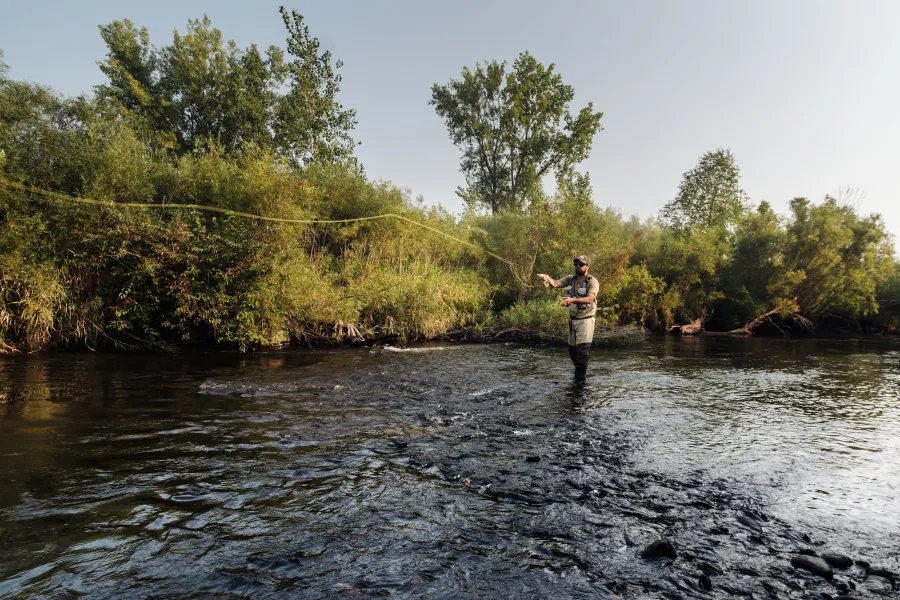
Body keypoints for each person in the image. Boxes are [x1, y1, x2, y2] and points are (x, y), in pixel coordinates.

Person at [538, 255, 599, 381]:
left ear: (587, 266)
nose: (578, 266)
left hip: (585, 321)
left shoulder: (592, 281)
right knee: (573, 352)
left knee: (582, 353)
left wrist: (572, 300)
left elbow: (590, 298)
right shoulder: (570, 279)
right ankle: (579, 377)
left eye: (581, 264)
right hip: (573, 320)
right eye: (576, 264)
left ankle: (580, 382)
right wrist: (547, 278)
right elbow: (555, 284)